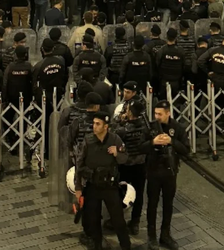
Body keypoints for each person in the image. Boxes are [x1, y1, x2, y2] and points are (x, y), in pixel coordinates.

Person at [74, 111, 132, 250]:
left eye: (98, 124)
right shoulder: (88, 140)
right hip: (93, 186)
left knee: (118, 220)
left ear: (106, 126)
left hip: (109, 187)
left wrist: (117, 153)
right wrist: (78, 187)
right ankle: (97, 246)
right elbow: (79, 164)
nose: (94, 126)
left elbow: (125, 158)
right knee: (93, 221)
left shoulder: (115, 139)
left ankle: (126, 246)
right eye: (93, 123)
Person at [144, 101, 188, 250]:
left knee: (168, 204)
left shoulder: (177, 128)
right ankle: (151, 236)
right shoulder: (150, 127)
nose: (157, 117)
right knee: (152, 203)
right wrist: (152, 142)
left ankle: (165, 234)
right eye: (155, 113)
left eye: (160, 114)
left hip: (170, 172)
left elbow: (186, 150)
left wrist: (172, 142)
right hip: (153, 171)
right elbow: (139, 147)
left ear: (168, 113)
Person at [115, 101, 150, 235]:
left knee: (120, 192)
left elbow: (114, 134)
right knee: (139, 194)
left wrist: (119, 120)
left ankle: (117, 220)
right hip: (141, 165)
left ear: (130, 112)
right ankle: (135, 222)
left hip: (125, 165)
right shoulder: (146, 128)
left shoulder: (123, 129)